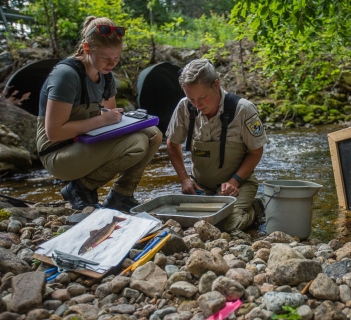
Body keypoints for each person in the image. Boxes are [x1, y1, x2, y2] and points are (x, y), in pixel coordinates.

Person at [36, 16, 162, 211]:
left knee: (154, 134)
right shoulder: (67, 75)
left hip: (85, 143)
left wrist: (127, 121)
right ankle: (80, 188)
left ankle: (122, 195)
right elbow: (54, 133)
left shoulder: (106, 75)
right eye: (105, 58)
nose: (111, 64)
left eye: (116, 58)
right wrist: (103, 119)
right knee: (137, 143)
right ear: (87, 48)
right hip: (57, 153)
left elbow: (110, 121)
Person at [166, 59, 267, 231]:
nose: (197, 105)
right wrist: (185, 179)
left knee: (226, 224)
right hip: (201, 186)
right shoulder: (185, 107)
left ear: (216, 85)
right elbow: (172, 144)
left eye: (203, 98)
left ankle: (256, 208)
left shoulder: (242, 110)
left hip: (238, 184)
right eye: (192, 99)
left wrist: (235, 181)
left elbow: (256, 151)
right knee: (189, 221)